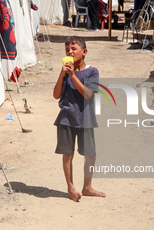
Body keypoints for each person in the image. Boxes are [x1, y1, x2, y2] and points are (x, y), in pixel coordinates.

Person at [53, 36, 106, 202]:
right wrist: (62, 76)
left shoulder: (92, 71)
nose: (70, 52)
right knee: (67, 155)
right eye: (67, 50)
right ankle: (70, 187)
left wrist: (73, 75)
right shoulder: (66, 72)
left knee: (90, 154)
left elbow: (88, 95)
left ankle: (87, 187)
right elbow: (56, 95)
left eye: (73, 49)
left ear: (84, 52)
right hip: (66, 118)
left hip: (86, 119)